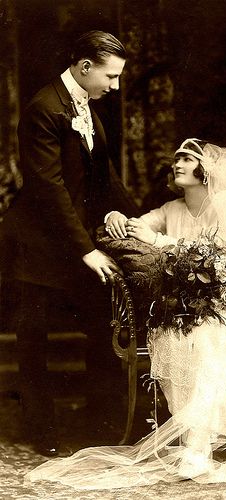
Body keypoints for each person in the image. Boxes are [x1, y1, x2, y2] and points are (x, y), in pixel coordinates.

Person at [26, 138, 226, 489]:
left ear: (206, 168)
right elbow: (136, 224)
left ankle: (198, 446)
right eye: (176, 159)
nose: (178, 164)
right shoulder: (171, 209)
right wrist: (115, 217)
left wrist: (159, 243)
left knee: (208, 338)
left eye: (187, 158)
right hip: (194, 306)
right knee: (176, 334)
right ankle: (195, 441)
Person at [0, 30, 135, 456]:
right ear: (84, 67)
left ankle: (103, 424)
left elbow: (103, 174)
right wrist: (86, 249)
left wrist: (124, 214)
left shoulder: (87, 107)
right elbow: (49, 188)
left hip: (72, 236)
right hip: (36, 244)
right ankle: (40, 433)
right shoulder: (45, 107)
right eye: (110, 77)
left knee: (100, 327)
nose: (114, 86)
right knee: (33, 340)